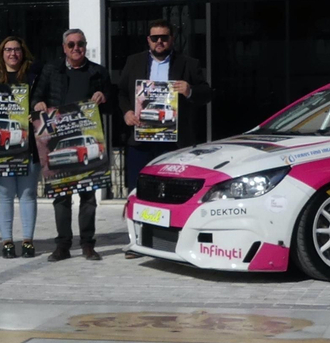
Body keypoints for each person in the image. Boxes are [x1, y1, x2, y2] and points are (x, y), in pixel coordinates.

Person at [33, 28, 112, 262]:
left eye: (80, 44)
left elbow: (111, 104)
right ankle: (63, 245)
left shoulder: (98, 72)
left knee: (88, 197)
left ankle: (88, 244)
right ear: (64, 48)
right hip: (60, 141)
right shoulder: (51, 70)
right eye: (71, 45)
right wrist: (38, 105)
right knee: (61, 196)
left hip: (87, 140)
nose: (76, 48)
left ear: (85, 46)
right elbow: (36, 97)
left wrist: (103, 97)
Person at [116, 19, 212, 195]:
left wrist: (190, 90)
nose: (159, 41)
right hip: (141, 141)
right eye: (155, 38)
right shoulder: (133, 62)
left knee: (174, 191)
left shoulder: (188, 63)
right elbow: (121, 93)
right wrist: (127, 112)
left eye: (164, 37)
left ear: (172, 39)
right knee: (139, 190)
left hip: (174, 143)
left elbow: (206, 93)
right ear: (148, 40)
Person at [0, 36, 39, 259]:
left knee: (28, 194)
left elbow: (43, 101)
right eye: (8, 50)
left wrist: (36, 111)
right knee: (5, 194)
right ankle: (7, 241)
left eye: (17, 49)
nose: (12, 54)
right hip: (0, 147)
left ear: (23, 52)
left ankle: (28, 240)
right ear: (2, 53)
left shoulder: (35, 77)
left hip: (29, 144)